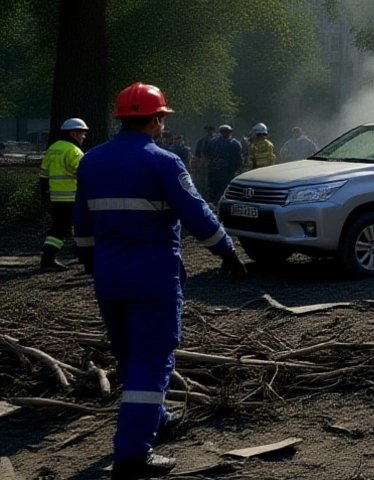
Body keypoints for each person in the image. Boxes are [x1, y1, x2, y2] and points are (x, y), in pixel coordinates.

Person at [72, 83, 247, 479]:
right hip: (153, 277)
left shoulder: (92, 161)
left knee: (129, 355)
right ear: (155, 120)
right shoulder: (164, 161)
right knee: (152, 360)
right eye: (162, 120)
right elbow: (197, 213)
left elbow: (81, 220)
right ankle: (133, 455)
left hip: (109, 276)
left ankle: (156, 417)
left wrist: (88, 258)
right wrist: (227, 251)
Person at [37, 118, 89, 271]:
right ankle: (50, 259)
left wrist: (45, 194)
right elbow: (84, 174)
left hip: (56, 197)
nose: (84, 137)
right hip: (72, 196)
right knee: (72, 226)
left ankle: (73, 254)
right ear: (73, 133)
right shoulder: (74, 151)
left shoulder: (53, 149)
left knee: (60, 226)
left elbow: (43, 174)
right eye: (82, 133)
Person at [205, 125, 242, 204]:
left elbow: (206, 156)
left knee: (215, 195)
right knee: (227, 194)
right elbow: (239, 159)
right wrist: (237, 169)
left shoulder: (212, 142)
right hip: (227, 173)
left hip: (214, 173)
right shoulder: (235, 143)